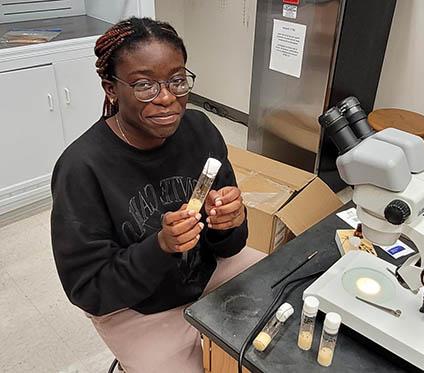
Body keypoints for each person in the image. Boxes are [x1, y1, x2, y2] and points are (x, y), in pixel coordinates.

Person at [50, 17, 265, 372]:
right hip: (136, 307)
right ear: (111, 89)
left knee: (289, 300)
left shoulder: (200, 130)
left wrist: (228, 223)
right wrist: (160, 247)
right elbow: (89, 290)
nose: (167, 98)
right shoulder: (81, 168)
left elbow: (230, 247)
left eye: (177, 80)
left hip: (207, 272)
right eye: (144, 85)